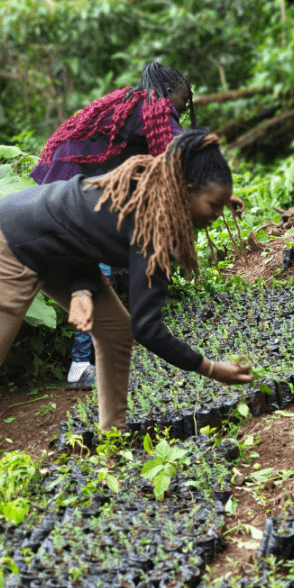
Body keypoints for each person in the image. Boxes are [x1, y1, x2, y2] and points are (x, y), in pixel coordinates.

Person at [0, 130, 253, 559]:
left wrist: (84, 288)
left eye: (223, 204)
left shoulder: (154, 193)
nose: (217, 215)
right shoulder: (153, 226)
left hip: (54, 247)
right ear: (182, 190)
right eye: (212, 205)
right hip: (9, 241)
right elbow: (150, 327)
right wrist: (211, 369)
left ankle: (112, 447)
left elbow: (84, 231)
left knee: (115, 333)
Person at [30, 62, 245, 390]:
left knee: (101, 271)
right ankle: (80, 364)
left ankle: (110, 346)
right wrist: (223, 195)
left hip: (64, 183)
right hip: (74, 191)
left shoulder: (131, 104)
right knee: (97, 271)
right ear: (170, 91)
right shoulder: (155, 109)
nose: (185, 107)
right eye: (185, 99)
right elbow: (182, 155)